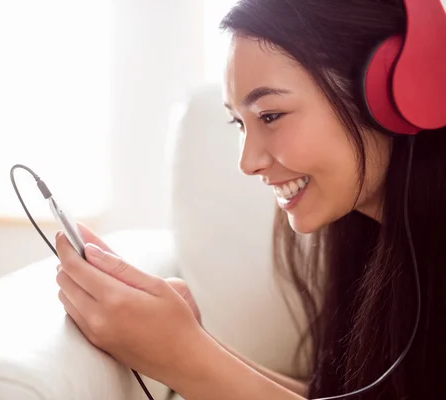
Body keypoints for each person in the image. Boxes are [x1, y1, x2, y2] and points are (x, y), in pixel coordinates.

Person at [53, 0, 446, 399]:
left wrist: (184, 358)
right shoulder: (375, 245)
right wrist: (190, 341)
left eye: (270, 116)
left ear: (396, 93)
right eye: (239, 123)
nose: (248, 162)